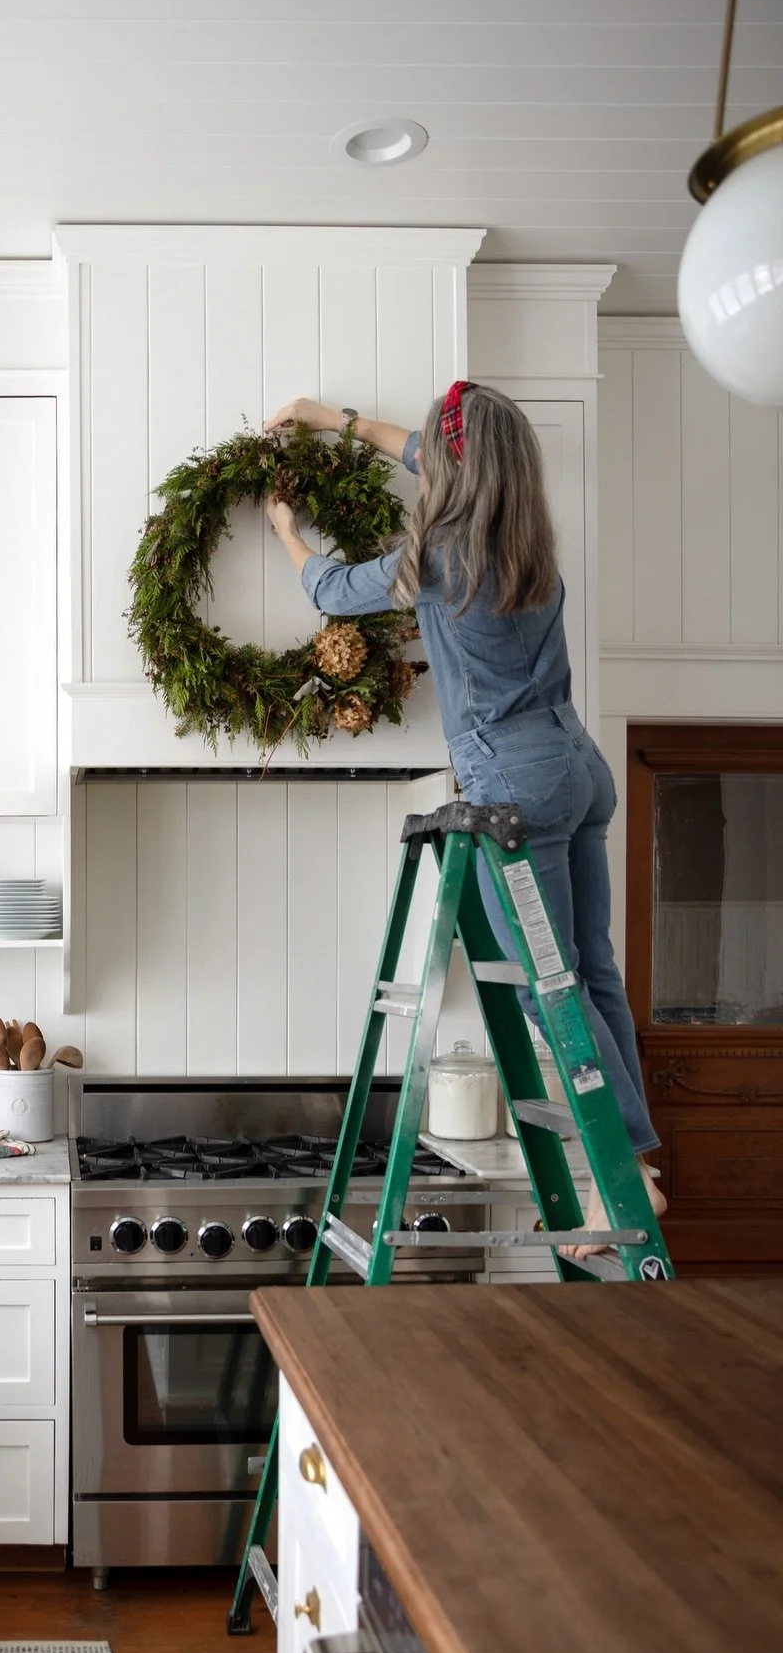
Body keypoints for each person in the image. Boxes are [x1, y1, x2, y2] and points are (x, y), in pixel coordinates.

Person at [263, 383, 664, 1255]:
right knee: (592, 976)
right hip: (577, 764)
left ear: (453, 470)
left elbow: (335, 589)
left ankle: (622, 1182)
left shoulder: (442, 556)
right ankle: (635, 1165)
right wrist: (333, 421)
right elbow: (421, 450)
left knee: (546, 989)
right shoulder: (527, 542)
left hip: (514, 783)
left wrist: (285, 529)